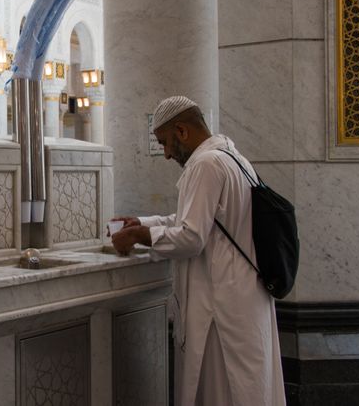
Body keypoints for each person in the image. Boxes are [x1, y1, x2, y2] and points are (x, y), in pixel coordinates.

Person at [111, 95, 285, 406]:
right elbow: (201, 221)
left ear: (182, 131)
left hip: (222, 303)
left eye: (165, 142)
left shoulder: (205, 164)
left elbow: (191, 237)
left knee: (224, 390)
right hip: (243, 295)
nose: (165, 154)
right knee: (247, 389)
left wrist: (140, 235)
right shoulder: (232, 158)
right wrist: (143, 221)